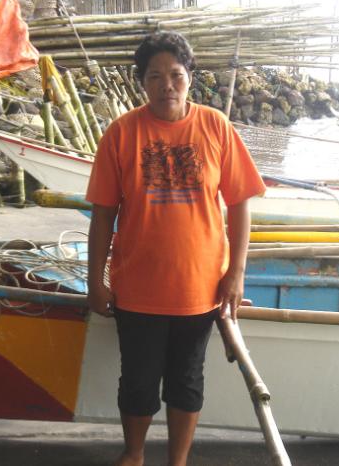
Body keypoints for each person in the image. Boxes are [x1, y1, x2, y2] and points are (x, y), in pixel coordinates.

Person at [86, 31, 266, 466]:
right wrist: (95, 281)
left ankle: (178, 461)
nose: (166, 85)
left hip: (200, 289)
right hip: (137, 288)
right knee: (138, 382)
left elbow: (240, 203)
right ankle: (133, 454)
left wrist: (236, 273)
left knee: (187, 381)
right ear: (141, 82)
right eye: (155, 76)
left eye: (176, 75)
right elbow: (103, 214)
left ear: (189, 78)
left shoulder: (216, 127)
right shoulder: (121, 133)